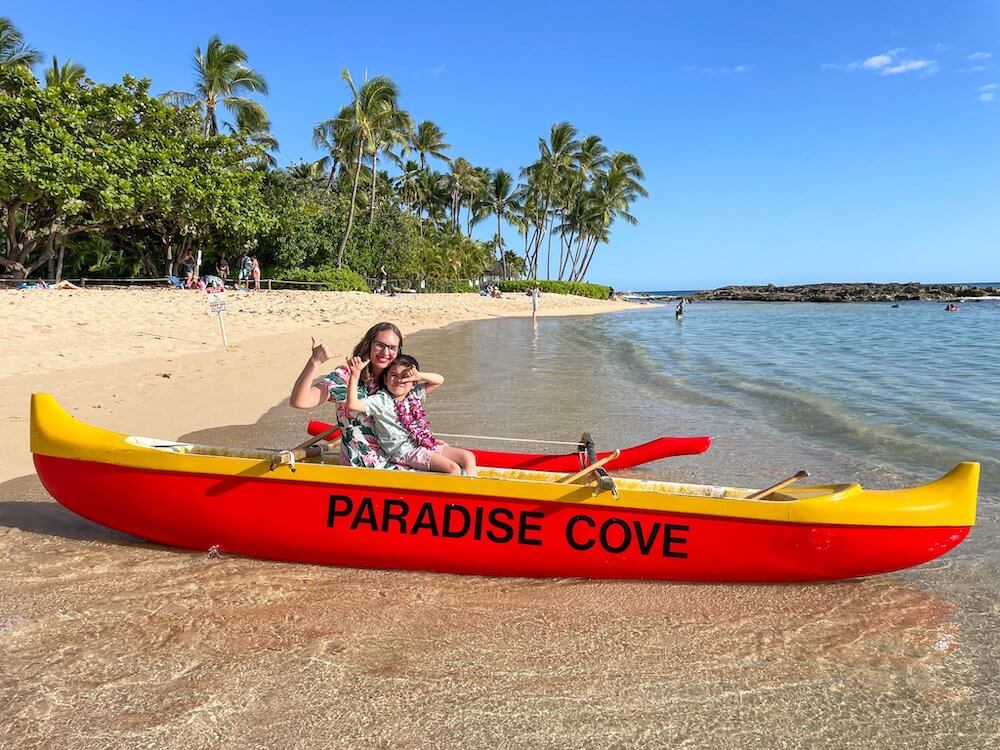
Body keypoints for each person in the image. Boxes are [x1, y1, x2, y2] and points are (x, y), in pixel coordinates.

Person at [289, 322, 404, 469]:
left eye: (392, 348)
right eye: (380, 345)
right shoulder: (346, 377)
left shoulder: (397, 381)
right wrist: (315, 362)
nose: (386, 352)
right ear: (368, 344)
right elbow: (300, 401)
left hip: (398, 462)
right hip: (362, 467)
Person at [345, 354, 477, 476]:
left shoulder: (414, 395)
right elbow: (352, 405)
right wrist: (355, 375)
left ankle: (474, 493)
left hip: (422, 443)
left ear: (413, 383)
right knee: (452, 468)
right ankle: (453, 499)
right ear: (385, 380)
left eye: (405, 377)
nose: (399, 380)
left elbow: (439, 380)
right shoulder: (381, 401)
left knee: (468, 457)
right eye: (393, 375)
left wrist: (419, 376)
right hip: (403, 451)